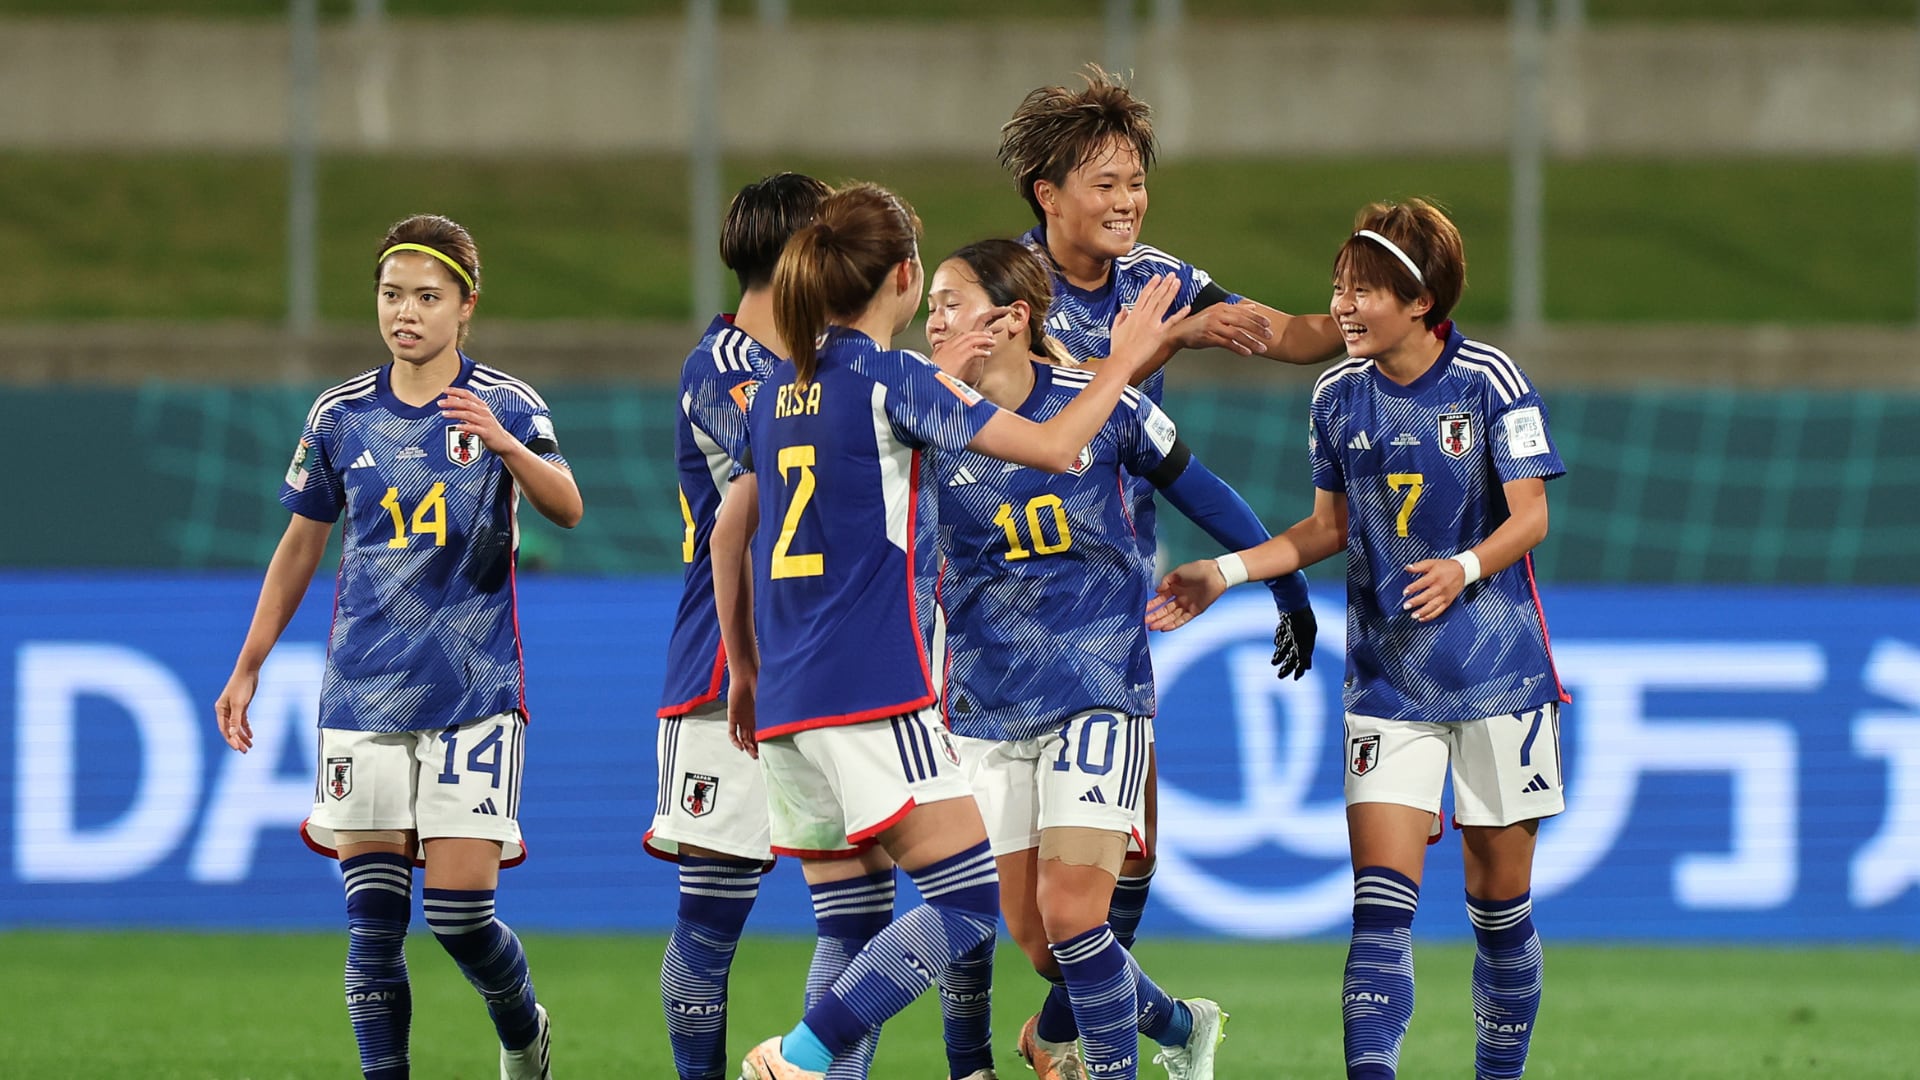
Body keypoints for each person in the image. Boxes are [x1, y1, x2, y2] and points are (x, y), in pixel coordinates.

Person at [708, 183, 1185, 1080]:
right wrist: (1121, 362)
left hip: (784, 701)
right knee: (966, 906)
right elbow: (1052, 449)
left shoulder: (777, 390)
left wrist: (741, 670)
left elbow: (733, 525)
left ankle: (821, 1059)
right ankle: (802, 1057)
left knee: (851, 921)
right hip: (871, 687)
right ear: (904, 276)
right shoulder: (898, 381)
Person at [1147, 198, 1568, 1080]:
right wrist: (1225, 575)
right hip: (1388, 681)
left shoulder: (1488, 379)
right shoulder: (1337, 393)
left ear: (1418, 301)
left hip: (1499, 678)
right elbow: (1325, 527)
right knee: (1379, 910)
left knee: (1500, 913)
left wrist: (1463, 566)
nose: (1340, 305)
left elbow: (1530, 516)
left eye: (1362, 289)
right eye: (1337, 286)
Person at [993, 64, 1341, 1076]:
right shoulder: (1004, 294)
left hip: (1106, 614)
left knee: (1115, 871)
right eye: (1104, 183)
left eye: (1135, 181)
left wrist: (1369, 310)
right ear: (1046, 193)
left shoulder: (1159, 278)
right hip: (990, 617)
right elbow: (1044, 412)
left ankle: (1076, 1044)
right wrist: (1170, 337)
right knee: (1018, 920)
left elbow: (1277, 334)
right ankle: (1154, 1027)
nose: (1127, 202)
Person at [214, 214, 582, 1080]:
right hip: (362, 697)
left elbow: (566, 505)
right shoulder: (340, 415)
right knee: (373, 930)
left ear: (466, 307)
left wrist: (501, 444)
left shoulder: (510, 405)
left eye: (427, 297)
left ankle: (522, 1026)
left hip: (473, 697)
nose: (405, 313)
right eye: (392, 295)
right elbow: (301, 542)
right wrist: (250, 663)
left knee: (458, 919)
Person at [925, 239, 1296, 1080]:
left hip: (1099, 681)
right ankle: (1177, 1024)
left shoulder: (1107, 405)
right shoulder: (921, 420)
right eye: (931, 307)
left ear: (1012, 320)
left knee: (1073, 917)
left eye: (950, 303)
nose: (934, 320)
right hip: (986, 694)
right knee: (1024, 935)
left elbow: (1201, 489)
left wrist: (1282, 586)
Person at [649, 172, 834, 1080]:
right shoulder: (719, 369)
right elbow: (791, 452)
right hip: (730, 666)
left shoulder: (829, 365)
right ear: (802, 256)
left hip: (838, 660)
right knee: (712, 916)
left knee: (858, 912)